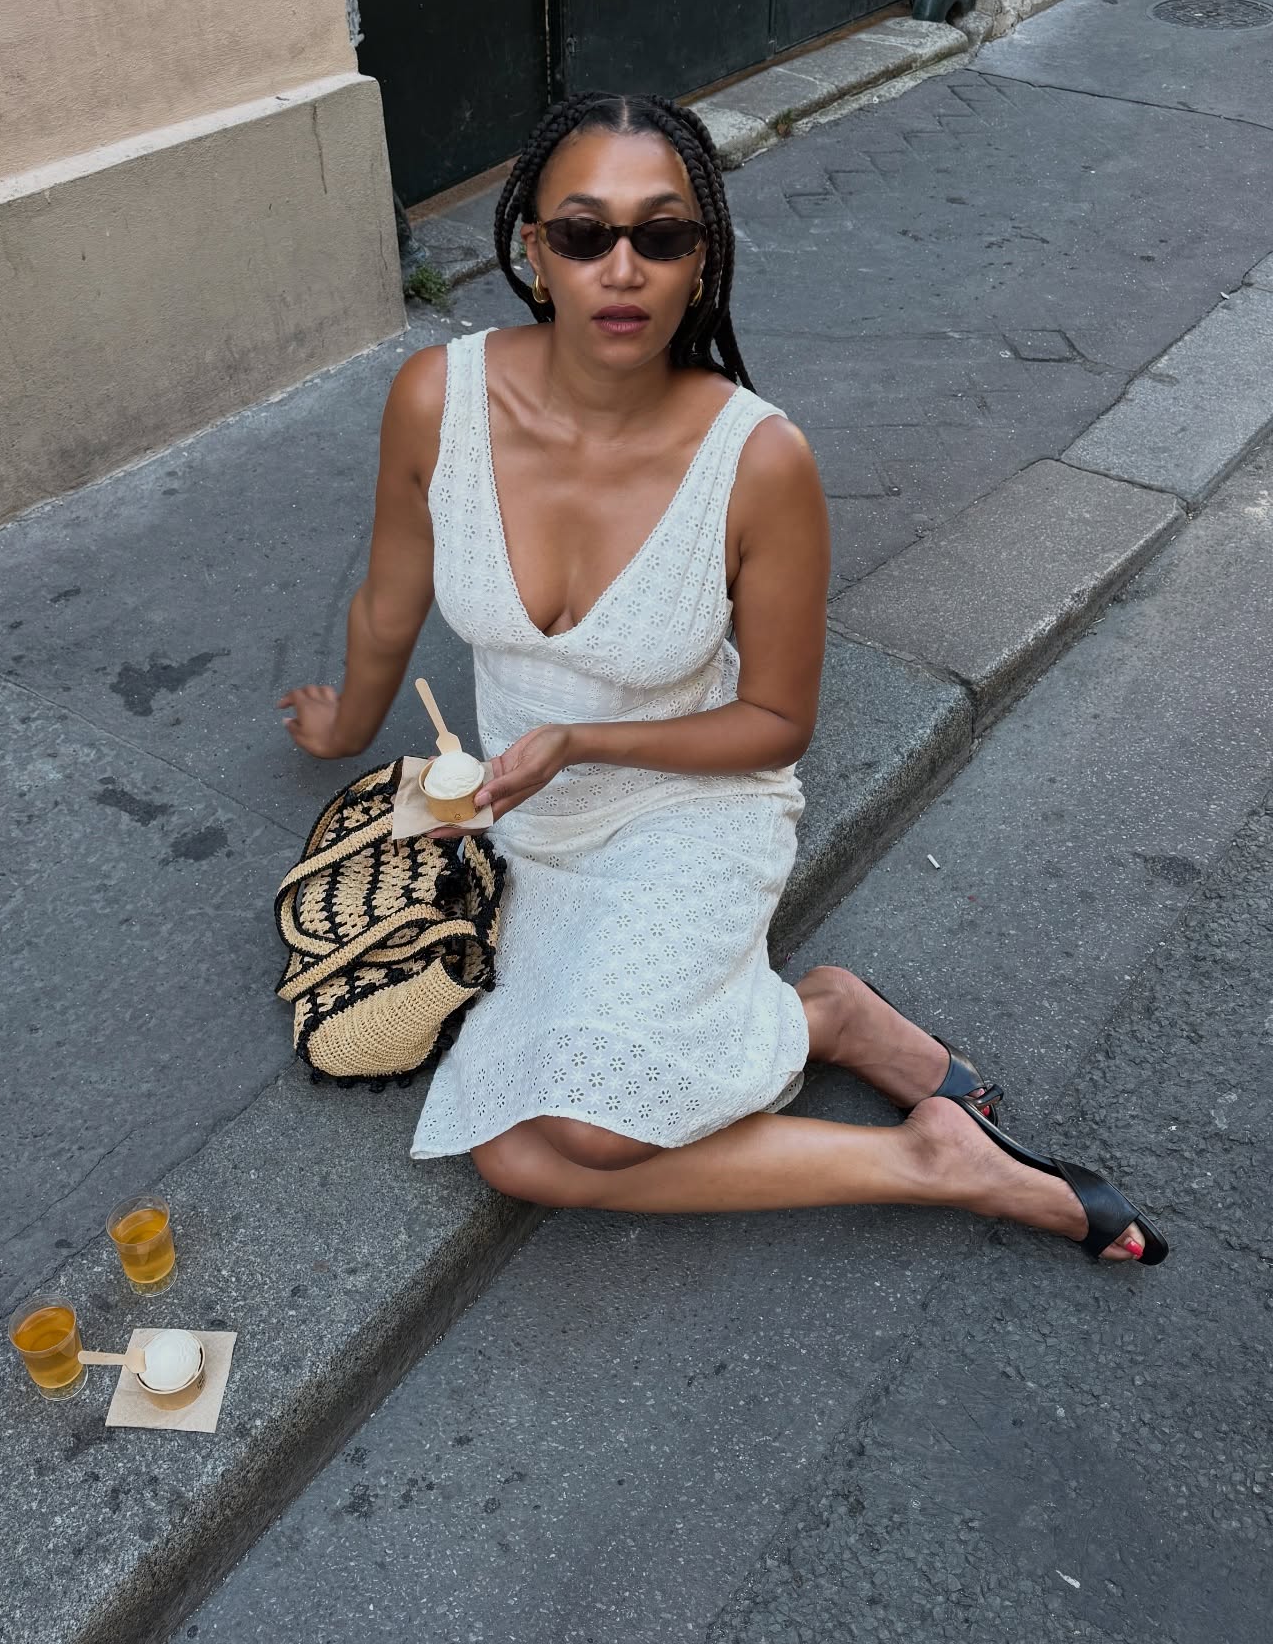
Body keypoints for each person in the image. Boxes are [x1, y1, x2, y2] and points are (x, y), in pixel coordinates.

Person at [279, 92, 1165, 1267]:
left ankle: (887, 1088)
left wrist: (583, 745)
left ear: (704, 261)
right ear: (531, 252)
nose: (624, 267)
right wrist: (344, 722)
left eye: (664, 234)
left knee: (587, 1135)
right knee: (515, 1154)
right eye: (586, 233)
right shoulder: (437, 401)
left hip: (688, 805)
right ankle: (893, 1117)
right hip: (527, 826)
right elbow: (389, 599)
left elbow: (777, 725)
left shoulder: (760, 459)